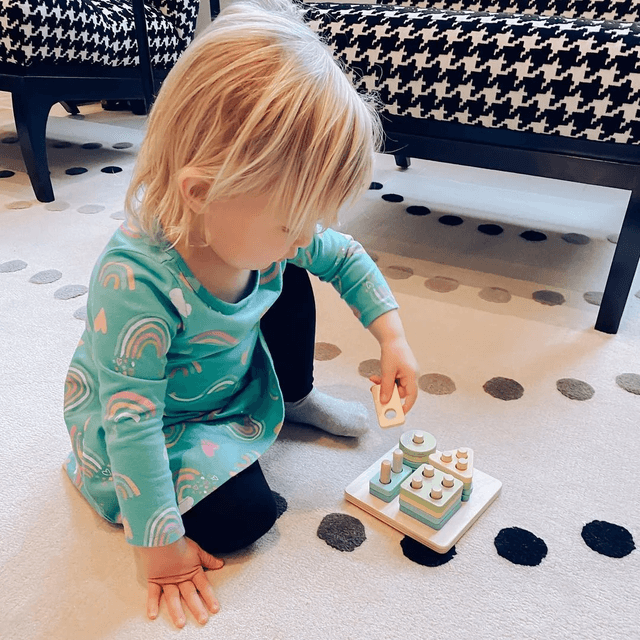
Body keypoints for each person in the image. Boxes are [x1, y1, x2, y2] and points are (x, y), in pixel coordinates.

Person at [62, 0, 419, 628]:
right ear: (202, 192)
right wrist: (159, 550)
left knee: (294, 272)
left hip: (232, 377)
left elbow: (346, 255)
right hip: (158, 421)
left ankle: (293, 396)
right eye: (291, 222)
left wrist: (391, 335)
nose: (304, 234)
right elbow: (131, 421)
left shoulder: (260, 224)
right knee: (244, 521)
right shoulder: (135, 283)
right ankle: (215, 453)